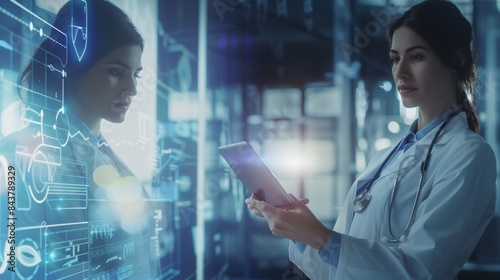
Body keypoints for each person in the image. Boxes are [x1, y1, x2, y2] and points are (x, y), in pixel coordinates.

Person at [245, 0, 497, 279]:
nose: (400, 72)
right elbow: (332, 270)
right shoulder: (385, 158)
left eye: (416, 57)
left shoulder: (470, 155)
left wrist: (320, 237)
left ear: (457, 59)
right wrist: (299, 231)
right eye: (395, 58)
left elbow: (420, 271)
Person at [0, 1, 157, 279]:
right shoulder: (20, 154)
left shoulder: (107, 157)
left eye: (135, 74)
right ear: (70, 68)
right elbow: (12, 266)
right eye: (116, 71)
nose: (132, 89)